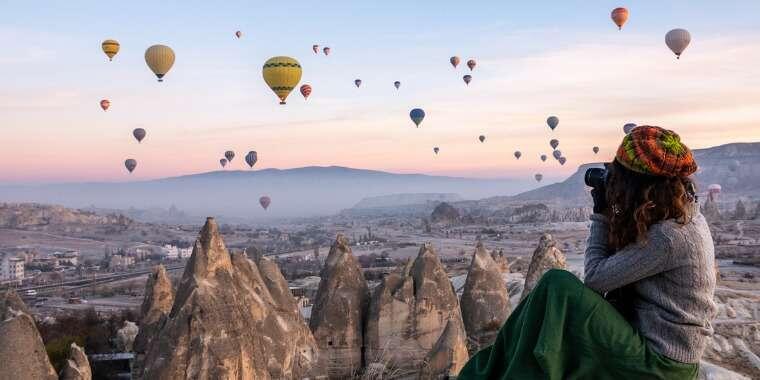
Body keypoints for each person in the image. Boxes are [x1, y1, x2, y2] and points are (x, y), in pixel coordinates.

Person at [458, 126, 716, 379]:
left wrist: (601, 214)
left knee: (557, 285)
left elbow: (594, 278)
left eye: (620, 176)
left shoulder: (670, 237)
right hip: (662, 353)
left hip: (661, 366)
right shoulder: (680, 214)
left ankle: (495, 372)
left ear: (640, 185)